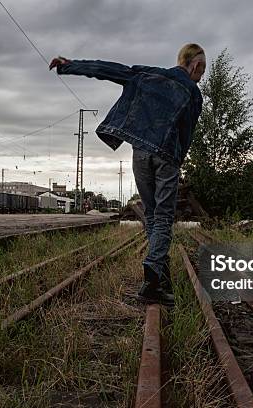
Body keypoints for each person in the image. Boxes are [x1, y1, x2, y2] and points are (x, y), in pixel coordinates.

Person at [49, 44, 205, 306]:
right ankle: (152, 279)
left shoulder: (147, 75)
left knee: (153, 215)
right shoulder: (192, 92)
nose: (201, 76)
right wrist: (178, 159)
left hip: (140, 153)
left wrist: (69, 65)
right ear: (196, 64)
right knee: (164, 216)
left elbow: (109, 70)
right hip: (167, 155)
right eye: (202, 70)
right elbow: (186, 133)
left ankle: (160, 272)